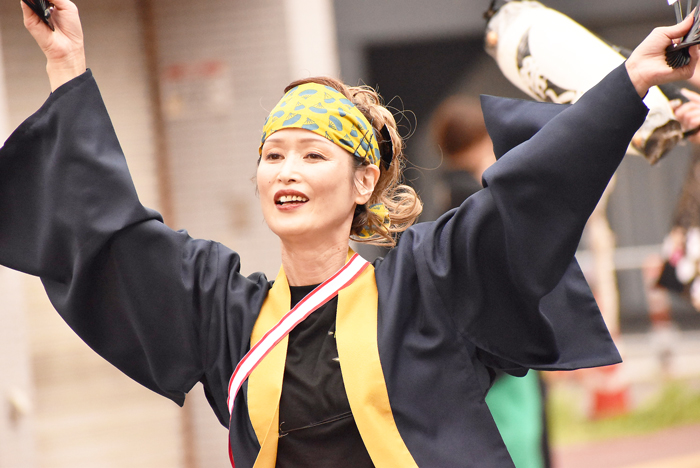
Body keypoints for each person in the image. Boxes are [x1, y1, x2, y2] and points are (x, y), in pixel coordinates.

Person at [2, 1, 698, 466]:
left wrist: (629, 80)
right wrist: (67, 64)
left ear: (364, 182)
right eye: (273, 155)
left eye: (313, 154)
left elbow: (531, 193)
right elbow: (112, 236)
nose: (287, 170)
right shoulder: (225, 315)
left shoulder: (430, 282)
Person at [430, 97, 549, 468]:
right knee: (519, 447)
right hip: (502, 351)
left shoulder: (443, 196)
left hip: (466, 353)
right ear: (482, 138)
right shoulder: (479, 193)